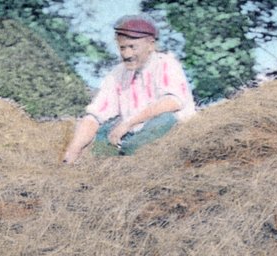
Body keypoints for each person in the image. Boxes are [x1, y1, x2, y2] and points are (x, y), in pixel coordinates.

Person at [61, 14, 196, 164]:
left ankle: (129, 162)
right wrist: (73, 150)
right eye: (122, 48)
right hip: (133, 133)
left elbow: (173, 102)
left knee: (161, 122)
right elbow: (95, 115)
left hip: (171, 131)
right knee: (102, 135)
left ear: (151, 45)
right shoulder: (118, 73)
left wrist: (129, 123)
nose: (127, 54)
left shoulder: (166, 64)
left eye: (132, 47)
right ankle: (104, 169)